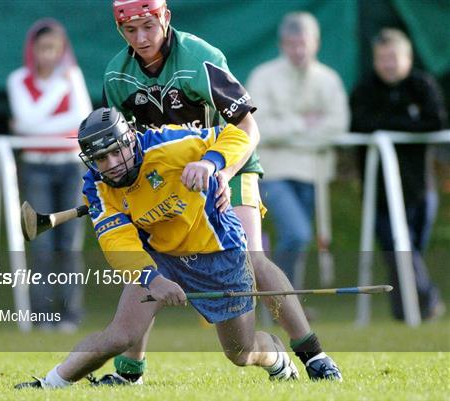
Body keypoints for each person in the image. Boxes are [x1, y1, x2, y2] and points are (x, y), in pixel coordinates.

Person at [96, 0, 341, 384]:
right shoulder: (117, 75)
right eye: (131, 31)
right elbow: (123, 147)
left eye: (148, 27)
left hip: (229, 163)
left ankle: (313, 354)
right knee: (146, 261)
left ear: (165, 19)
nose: (141, 39)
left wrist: (219, 170)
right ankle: (130, 372)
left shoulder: (199, 57)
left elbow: (247, 127)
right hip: (168, 181)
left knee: (251, 257)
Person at [15, 106, 301, 389]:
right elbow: (118, 243)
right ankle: (48, 384)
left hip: (219, 250)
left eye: (116, 151)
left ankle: (276, 357)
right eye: (101, 158)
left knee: (241, 351)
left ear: (130, 141)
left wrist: (211, 163)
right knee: (119, 336)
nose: (111, 163)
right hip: (162, 255)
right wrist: (152, 279)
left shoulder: (169, 144)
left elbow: (236, 135)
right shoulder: (97, 188)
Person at [245, 12, 349, 288]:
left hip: (315, 173)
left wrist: (286, 130)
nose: (299, 50)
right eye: (292, 44)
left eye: (304, 43)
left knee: (295, 241)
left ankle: (284, 300)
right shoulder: (263, 76)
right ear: (282, 44)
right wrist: (304, 123)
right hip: (273, 171)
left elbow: (337, 126)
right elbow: (258, 126)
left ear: (316, 43)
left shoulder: (328, 80)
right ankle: (282, 298)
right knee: (297, 234)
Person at [350, 28, 447, 321]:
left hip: (420, 188)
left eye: (393, 57)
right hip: (378, 192)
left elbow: (435, 121)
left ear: (407, 57)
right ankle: (426, 302)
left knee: (412, 249)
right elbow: (361, 124)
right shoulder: (365, 89)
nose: (388, 64)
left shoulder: (422, 85)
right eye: (382, 58)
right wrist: (407, 121)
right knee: (397, 247)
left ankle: (407, 310)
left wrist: (389, 125)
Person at [7, 18, 92, 332]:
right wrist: (57, 95)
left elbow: (79, 119)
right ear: (33, 49)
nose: (48, 55)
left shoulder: (73, 76)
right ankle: (42, 314)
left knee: (68, 243)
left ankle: (70, 314)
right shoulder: (20, 80)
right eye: (42, 48)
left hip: (70, 166)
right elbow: (27, 123)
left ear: (62, 50)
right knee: (41, 242)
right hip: (36, 166)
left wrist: (31, 126)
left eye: (54, 48)